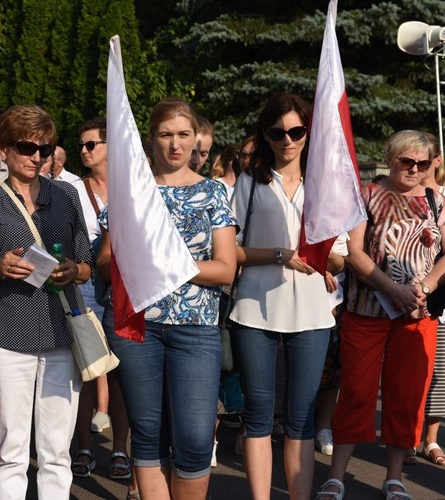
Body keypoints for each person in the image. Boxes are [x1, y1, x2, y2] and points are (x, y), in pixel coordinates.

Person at [98, 97, 238, 500]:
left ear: (196, 138)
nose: (175, 144)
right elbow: (105, 262)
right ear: (151, 138)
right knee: (147, 434)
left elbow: (225, 269)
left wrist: (165, 262)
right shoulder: (130, 191)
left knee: (195, 438)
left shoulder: (212, 192)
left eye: (183, 134)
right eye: (165, 135)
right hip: (136, 326)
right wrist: (134, 257)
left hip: (195, 329)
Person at [0, 104, 92, 499]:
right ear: (5, 149)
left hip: (61, 335)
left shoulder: (66, 196)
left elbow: (87, 265)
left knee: (56, 454)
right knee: (11, 453)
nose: (36, 157)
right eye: (27, 147)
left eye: (45, 150)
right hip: (4, 336)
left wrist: (71, 270)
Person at [314, 129, 445, 500]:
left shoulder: (436, 199)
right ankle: (336, 476)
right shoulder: (367, 195)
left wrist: (427, 286)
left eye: (422, 163)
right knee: (357, 392)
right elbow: (354, 253)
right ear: (391, 158)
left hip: (417, 316)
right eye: (407, 161)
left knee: (406, 397)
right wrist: (393, 289)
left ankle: (394, 477)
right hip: (366, 312)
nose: (415, 169)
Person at [229, 93, 346, 500]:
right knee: (259, 416)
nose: (288, 140)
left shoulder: (326, 185)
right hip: (254, 308)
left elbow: (340, 260)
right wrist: (281, 255)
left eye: (296, 131)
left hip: (313, 312)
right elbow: (231, 251)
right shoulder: (248, 181)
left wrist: (326, 256)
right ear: (265, 134)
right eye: (278, 132)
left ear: (308, 132)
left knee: (301, 419)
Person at [69, 117, 132, 483]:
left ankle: (120, 448)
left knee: (124, 373)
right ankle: (84, 446)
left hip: (125, 288)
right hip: (88, 284)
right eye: (81, 144)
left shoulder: (132, 187)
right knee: (88, 369)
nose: (84, 150)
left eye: (91, 144)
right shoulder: (73, 190)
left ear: (111, 148)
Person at [419, 132, 445, 466]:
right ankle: (406, 436)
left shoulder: (442, 199)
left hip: (438, 299)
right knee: (414, 373)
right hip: (404, 298)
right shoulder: (392, 195)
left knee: (439, 374)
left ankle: (430, 439)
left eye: (425, 158)